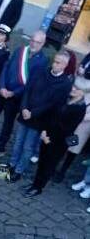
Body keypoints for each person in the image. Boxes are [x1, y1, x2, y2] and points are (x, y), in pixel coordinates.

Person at [8, 51, 73, 182]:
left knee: (28, 147)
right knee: (18, 142)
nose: (54, 64)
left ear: (64, 65)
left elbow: (54, 104)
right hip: (25, 113)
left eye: (58, 62)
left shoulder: (65, 83)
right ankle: (11, 165)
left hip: (39, 120)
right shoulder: (41, 72)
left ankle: (19, 170)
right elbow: (28, 90)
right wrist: (24, 108)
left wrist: (33, 112)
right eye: (54, 61)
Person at [0, 30, 48, 156]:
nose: (34, 44)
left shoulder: (42, 61)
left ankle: (0, 148)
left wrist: (13, 93)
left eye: (37, 42)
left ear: (43, 44)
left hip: (16, 97)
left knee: (7, 123)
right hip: (3, 91)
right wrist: (1, 86)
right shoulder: (20, 50)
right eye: (32, 41)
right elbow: (6, 68)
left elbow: (31, 84)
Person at [24, 85, 86, 197]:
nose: (73, 89)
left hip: (59, 142)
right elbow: (50, 115)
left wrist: (50, 138)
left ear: (83, 93)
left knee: (49, 164)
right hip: (47, 135)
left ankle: (38, 187)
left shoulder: (80, 108)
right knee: (42, 161)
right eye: (73, 87)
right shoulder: (64, 98)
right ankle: (35, 183)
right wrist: (43, 131)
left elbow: (68, 128)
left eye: (77, 89)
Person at [54, 53, 90, 182]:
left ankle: (62, 170)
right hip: (74, 98)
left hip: (86, 108)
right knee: (63, 136)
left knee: (74, 142)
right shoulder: (88, 56)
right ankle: (54, 164)